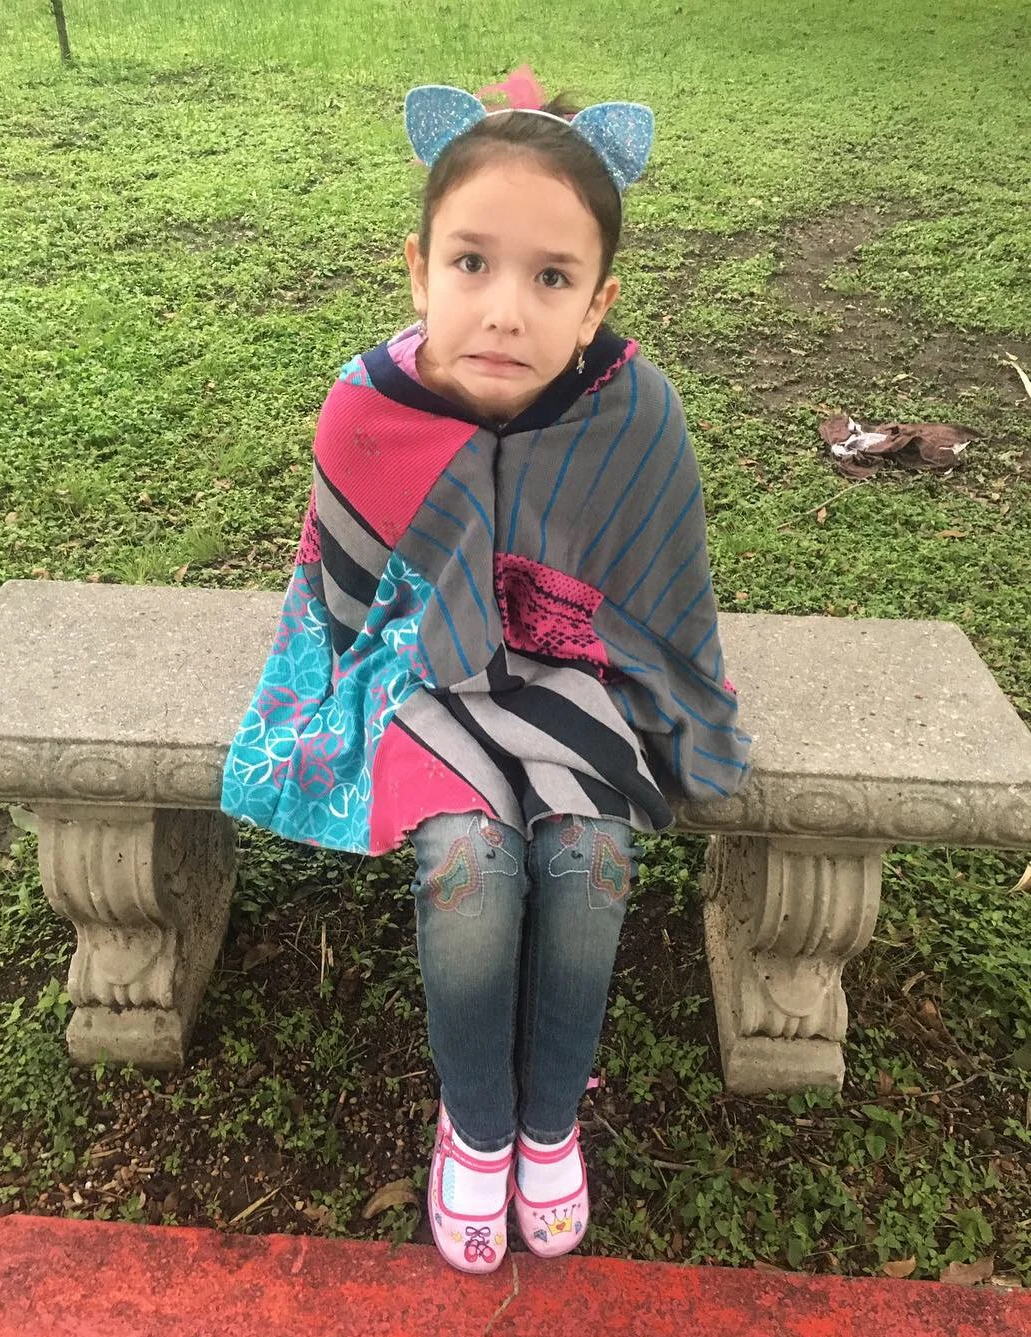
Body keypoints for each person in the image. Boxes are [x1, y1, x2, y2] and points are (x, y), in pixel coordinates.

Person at [220, 65, 752, 1275]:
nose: (507, 311)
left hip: (572, 678)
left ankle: (550, 1121)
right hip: (419, 675)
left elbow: (663, 597)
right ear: (418, 270)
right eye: (473, 264)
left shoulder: (635, 412)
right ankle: (476, 1124)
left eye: (551, 278)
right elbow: (342, 605)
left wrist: (679, 715)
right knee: (467, 867)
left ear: (598, 300)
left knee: (589, 859)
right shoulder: (367, 407)